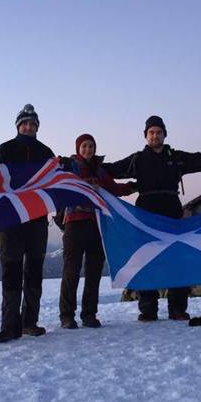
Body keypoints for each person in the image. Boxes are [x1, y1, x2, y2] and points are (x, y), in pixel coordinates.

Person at [104, 115, 201, 322]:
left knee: (176, 259)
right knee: (147, 260)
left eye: (158, 132)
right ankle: (148, 309)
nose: (155, 136)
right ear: (146, 136)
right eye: (151, 132)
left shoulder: (175, 157)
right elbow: (111, 169)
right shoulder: (137, 159)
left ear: (164, 134)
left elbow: (200, 160)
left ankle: (177, 308)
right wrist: (88, 165)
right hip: (145, 214)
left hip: (172, 212)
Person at [59, 134, 136, 329]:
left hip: (97, 226)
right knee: (71, 271)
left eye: (91, 146)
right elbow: (58, 186)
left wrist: (135, 186)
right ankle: (67, 316)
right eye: (84, 146)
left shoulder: (100, 171)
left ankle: (89, 314)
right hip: (74, 223)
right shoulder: (69, 167)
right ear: (78, 148)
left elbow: (114, 189)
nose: (88, 149)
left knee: (93, 272)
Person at [0, 104, 55, 342]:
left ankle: (30, 321)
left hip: (37, 219)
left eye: (32, 124)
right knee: (11, 271)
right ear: (18, 125)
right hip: (10, 220)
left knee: (34, 270)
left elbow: (54, 181)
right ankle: (10, 325)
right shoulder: (5, 149)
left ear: (37, 127)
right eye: (24, 123)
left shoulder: (45, 152)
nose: (28, 127)